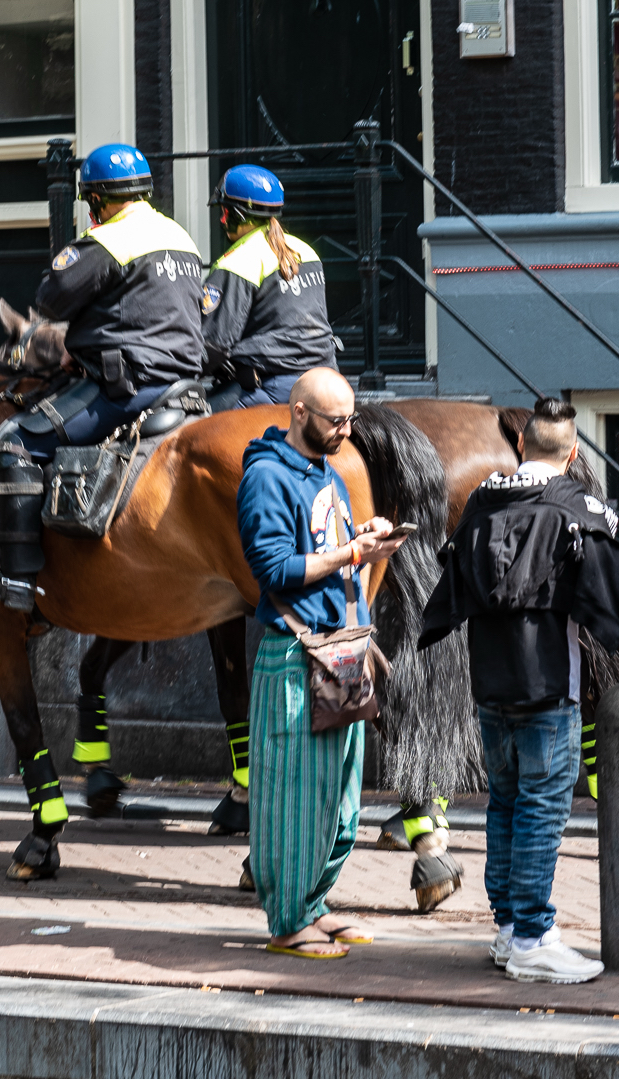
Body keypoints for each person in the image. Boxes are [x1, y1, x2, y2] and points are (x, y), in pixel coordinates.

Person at [421, 397, 619, 984]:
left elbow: (452, 580)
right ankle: (535, 939)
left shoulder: (481, 504)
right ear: (570, 453)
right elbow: (614, 600)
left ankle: (510, 929)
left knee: (506, 803)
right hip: (546, 687)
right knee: (541, 806)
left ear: (522, 446)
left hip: (489, 683)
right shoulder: (579, 510)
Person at [0, 143, 205, 611]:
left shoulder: (111, 240)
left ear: (95, 200)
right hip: (187, 384)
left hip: (127, 386)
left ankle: (17, 580)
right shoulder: (180, 237)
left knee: (13, 440)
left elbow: (51, 299)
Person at [237, 367, 404, 958]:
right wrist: (351, 551)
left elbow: (324, 550)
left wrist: (364, 541)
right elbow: (276, 569)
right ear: (300, 413)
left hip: (341, 650)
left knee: (340, 801)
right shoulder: (266, 476)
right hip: (296, 654)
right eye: (337, 420)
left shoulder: (326, 470)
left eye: (351, 419)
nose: (347, 430)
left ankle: (313, 903)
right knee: (292, 799)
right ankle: (286, 923)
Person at [201, 165, 338, 408]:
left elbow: (212, 345)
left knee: (188, 433)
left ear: (237, 216)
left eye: (223, 213)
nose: (222, 221)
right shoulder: (307, 251)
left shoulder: (237, 262)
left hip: (272, 386)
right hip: (327, 379)